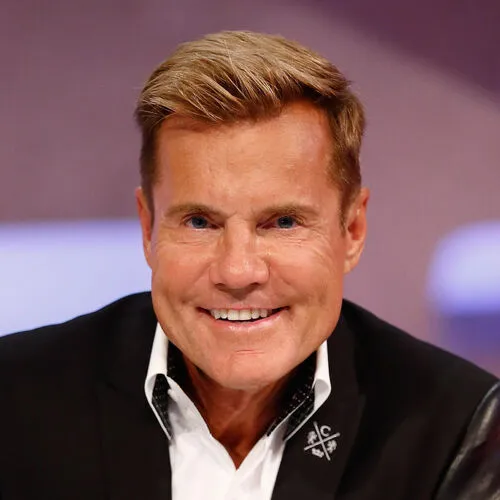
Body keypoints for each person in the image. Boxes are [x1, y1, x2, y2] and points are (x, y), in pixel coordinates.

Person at [0, 30, 498, 500]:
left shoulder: (459, 430)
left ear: (352, 230)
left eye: (282, 222)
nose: (237, 272)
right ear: (148, 228)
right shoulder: (14, 401)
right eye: (199, 222)